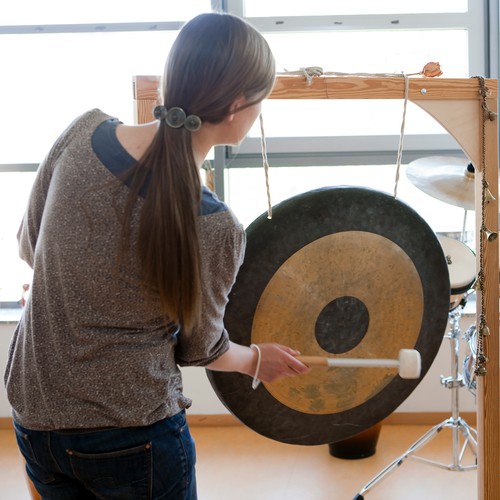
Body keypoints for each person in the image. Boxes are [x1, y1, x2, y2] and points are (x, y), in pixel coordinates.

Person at [4, 12, 309, 500]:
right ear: (235, 107)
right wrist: (257, 361)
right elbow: (202, 349)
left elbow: (29, 245)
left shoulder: (82, 132)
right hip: (131, 433)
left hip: (35, 412)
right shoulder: (214, 225)